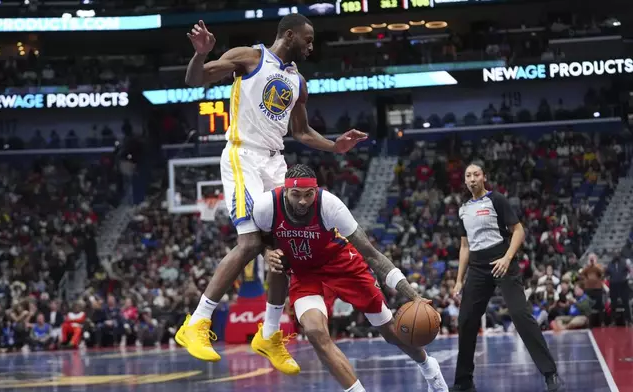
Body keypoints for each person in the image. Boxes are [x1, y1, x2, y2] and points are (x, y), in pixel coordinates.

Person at [176, 14, 367, 374]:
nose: (311, 47)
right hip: (242, 154)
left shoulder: (298, 81)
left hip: (275, 161)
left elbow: (302, 130)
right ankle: (196, 323)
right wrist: (201, 54)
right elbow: (195, 78)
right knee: (250, 244)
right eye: (308, 40)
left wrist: (335, 146)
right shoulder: (249, 57)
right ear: (289, 35)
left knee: (287, 246)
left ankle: (268, 333)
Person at [253, 164, 448, 392]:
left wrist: (414, 296)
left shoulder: (330, 205)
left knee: (390, 332)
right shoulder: (266, 207)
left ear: (316, 191)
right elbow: (255, 241)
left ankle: (428, 366)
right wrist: (266, 253)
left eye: (309, 194)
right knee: (315, 333)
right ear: (285, 191)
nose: (303, 201)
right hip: (306, 274)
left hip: (344, 265)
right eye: (296, 195)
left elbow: (373, 255)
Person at [450, 162, 563, 392]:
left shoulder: (497, 200)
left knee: (520, 316)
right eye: (468, 175)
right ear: (465, 181)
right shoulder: (463, 209)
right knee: (466, 320)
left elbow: (519, 231)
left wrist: (507, 258)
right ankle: (464, 382)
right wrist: (459, 280)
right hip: (478, 269)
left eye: (476, 174)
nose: (472, 179)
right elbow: (464, 247)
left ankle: (550, 374)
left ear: (484, 177)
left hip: (503, 264)